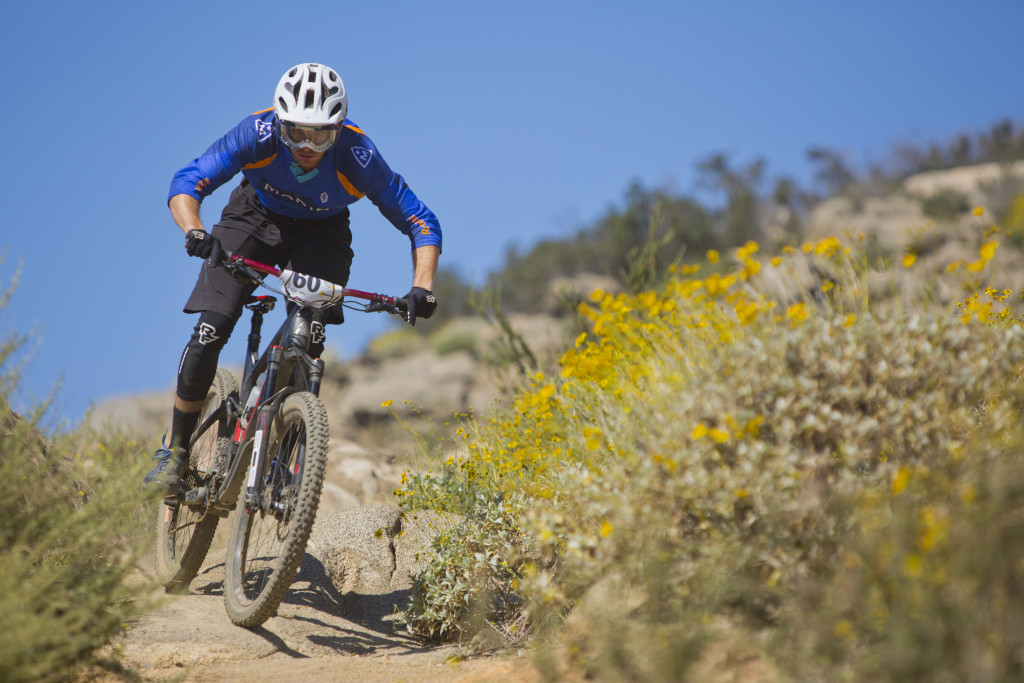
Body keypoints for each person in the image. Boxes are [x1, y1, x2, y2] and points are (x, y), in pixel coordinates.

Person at [144, 62, 440, 495]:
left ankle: (283, 459)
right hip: (251, 218)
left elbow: (420, 220)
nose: (306, 144)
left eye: (320, 134)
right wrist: (195, 232)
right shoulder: (257, 133)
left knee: (310, 336)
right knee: (212, 328)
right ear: (280, 121)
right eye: (296, 131)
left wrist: (423, 287)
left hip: (322, 233)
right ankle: (177, 450)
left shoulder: (359, 157)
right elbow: (189, 181)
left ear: (337, 130)